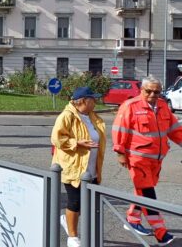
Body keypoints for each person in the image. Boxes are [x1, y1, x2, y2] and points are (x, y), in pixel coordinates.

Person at [112, 76, 182, 245]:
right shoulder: (130, 106)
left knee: (142, 191)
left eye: (156, 92)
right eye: (148, 91)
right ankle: (160, 232)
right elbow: (120, 130)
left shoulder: (163, 107)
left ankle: (132, 220)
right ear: (141, 90)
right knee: (147, 193)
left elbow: (174, 130)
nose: (152, 94)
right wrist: (120, 152)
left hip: (156, 160)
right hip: (137, 158)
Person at [51, 86, 106, 247]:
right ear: (83, 101)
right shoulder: (67, 116)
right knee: (75, 202)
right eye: (92, 99)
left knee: (87, 203)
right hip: (73, 167)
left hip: (92, 168)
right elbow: (57, 139)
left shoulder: (92, 116)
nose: (95, 101)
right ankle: (72, 237)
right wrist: (77, 143)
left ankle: (67, 220)